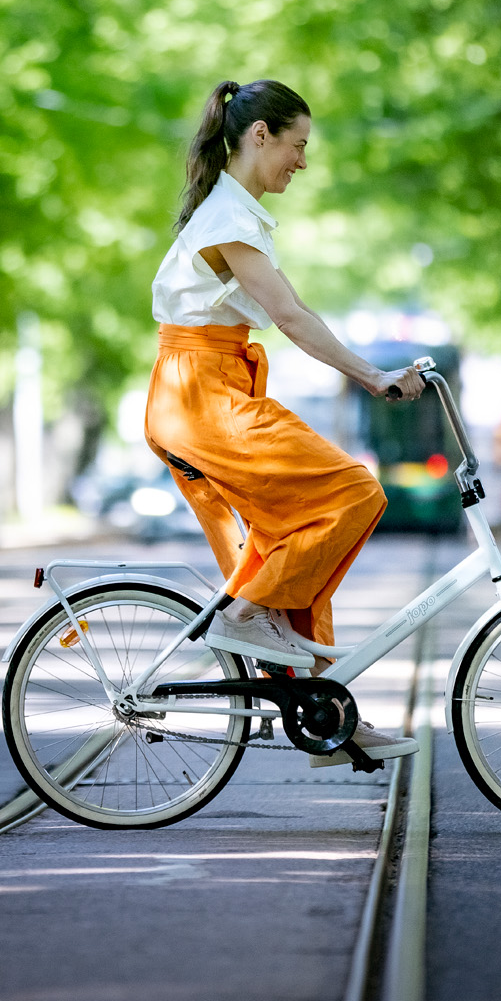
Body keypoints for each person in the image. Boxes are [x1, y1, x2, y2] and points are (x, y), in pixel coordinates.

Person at [144, 79, 424, 766]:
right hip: (203, 398)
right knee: (355, 490)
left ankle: (326, 715)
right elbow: (292, 316)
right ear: (260, 135)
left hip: (210, 390)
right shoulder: (225, 222)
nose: (302, 161)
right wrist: (373, 375)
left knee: (297, 537)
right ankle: (244, 614)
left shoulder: (229, 214)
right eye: (297, 145)